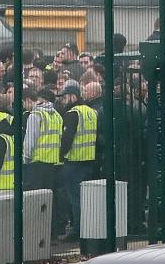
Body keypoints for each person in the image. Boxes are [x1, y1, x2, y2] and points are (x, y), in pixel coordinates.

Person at [60, 84, 98, 241]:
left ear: (73, 96)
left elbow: (67, 138)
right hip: (90, 161)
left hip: (74, 162)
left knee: (75, 198)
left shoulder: (72, 113)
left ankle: (77, 230)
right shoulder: (91, 112)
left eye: (65, 97)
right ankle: (89, 228)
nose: (63, 100)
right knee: (88, 198)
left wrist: (61, 154)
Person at [23, 89, 63, 191]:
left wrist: (26, 158)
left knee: (34, 199)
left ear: (27, 100)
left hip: (36, 163)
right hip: (53, 163)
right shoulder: (57, 116)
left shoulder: (35, 115)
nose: (23, 107)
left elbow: (30, 140)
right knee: (49, 198)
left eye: (23, 103)